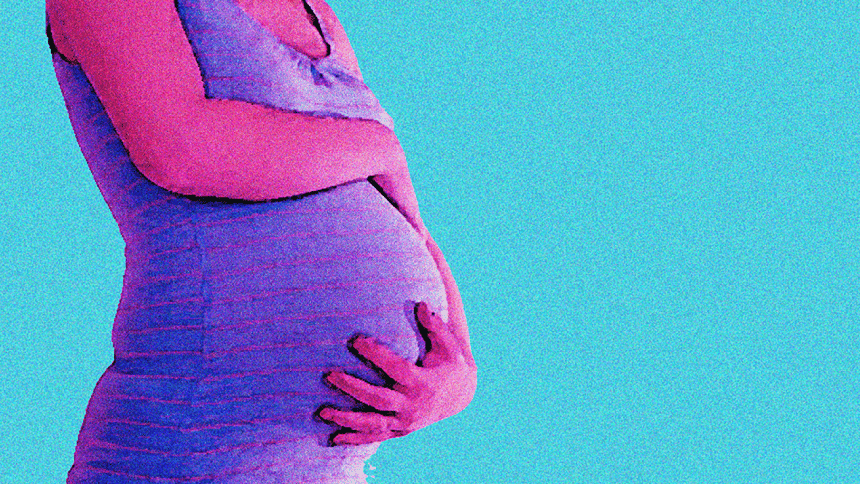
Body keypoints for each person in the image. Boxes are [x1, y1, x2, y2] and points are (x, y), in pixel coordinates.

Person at [46, 0, 477, 481]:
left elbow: (403, 216)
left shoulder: (314, 11)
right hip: (192, 448)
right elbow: (183, 151)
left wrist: (458, 374)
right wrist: (381, 145)